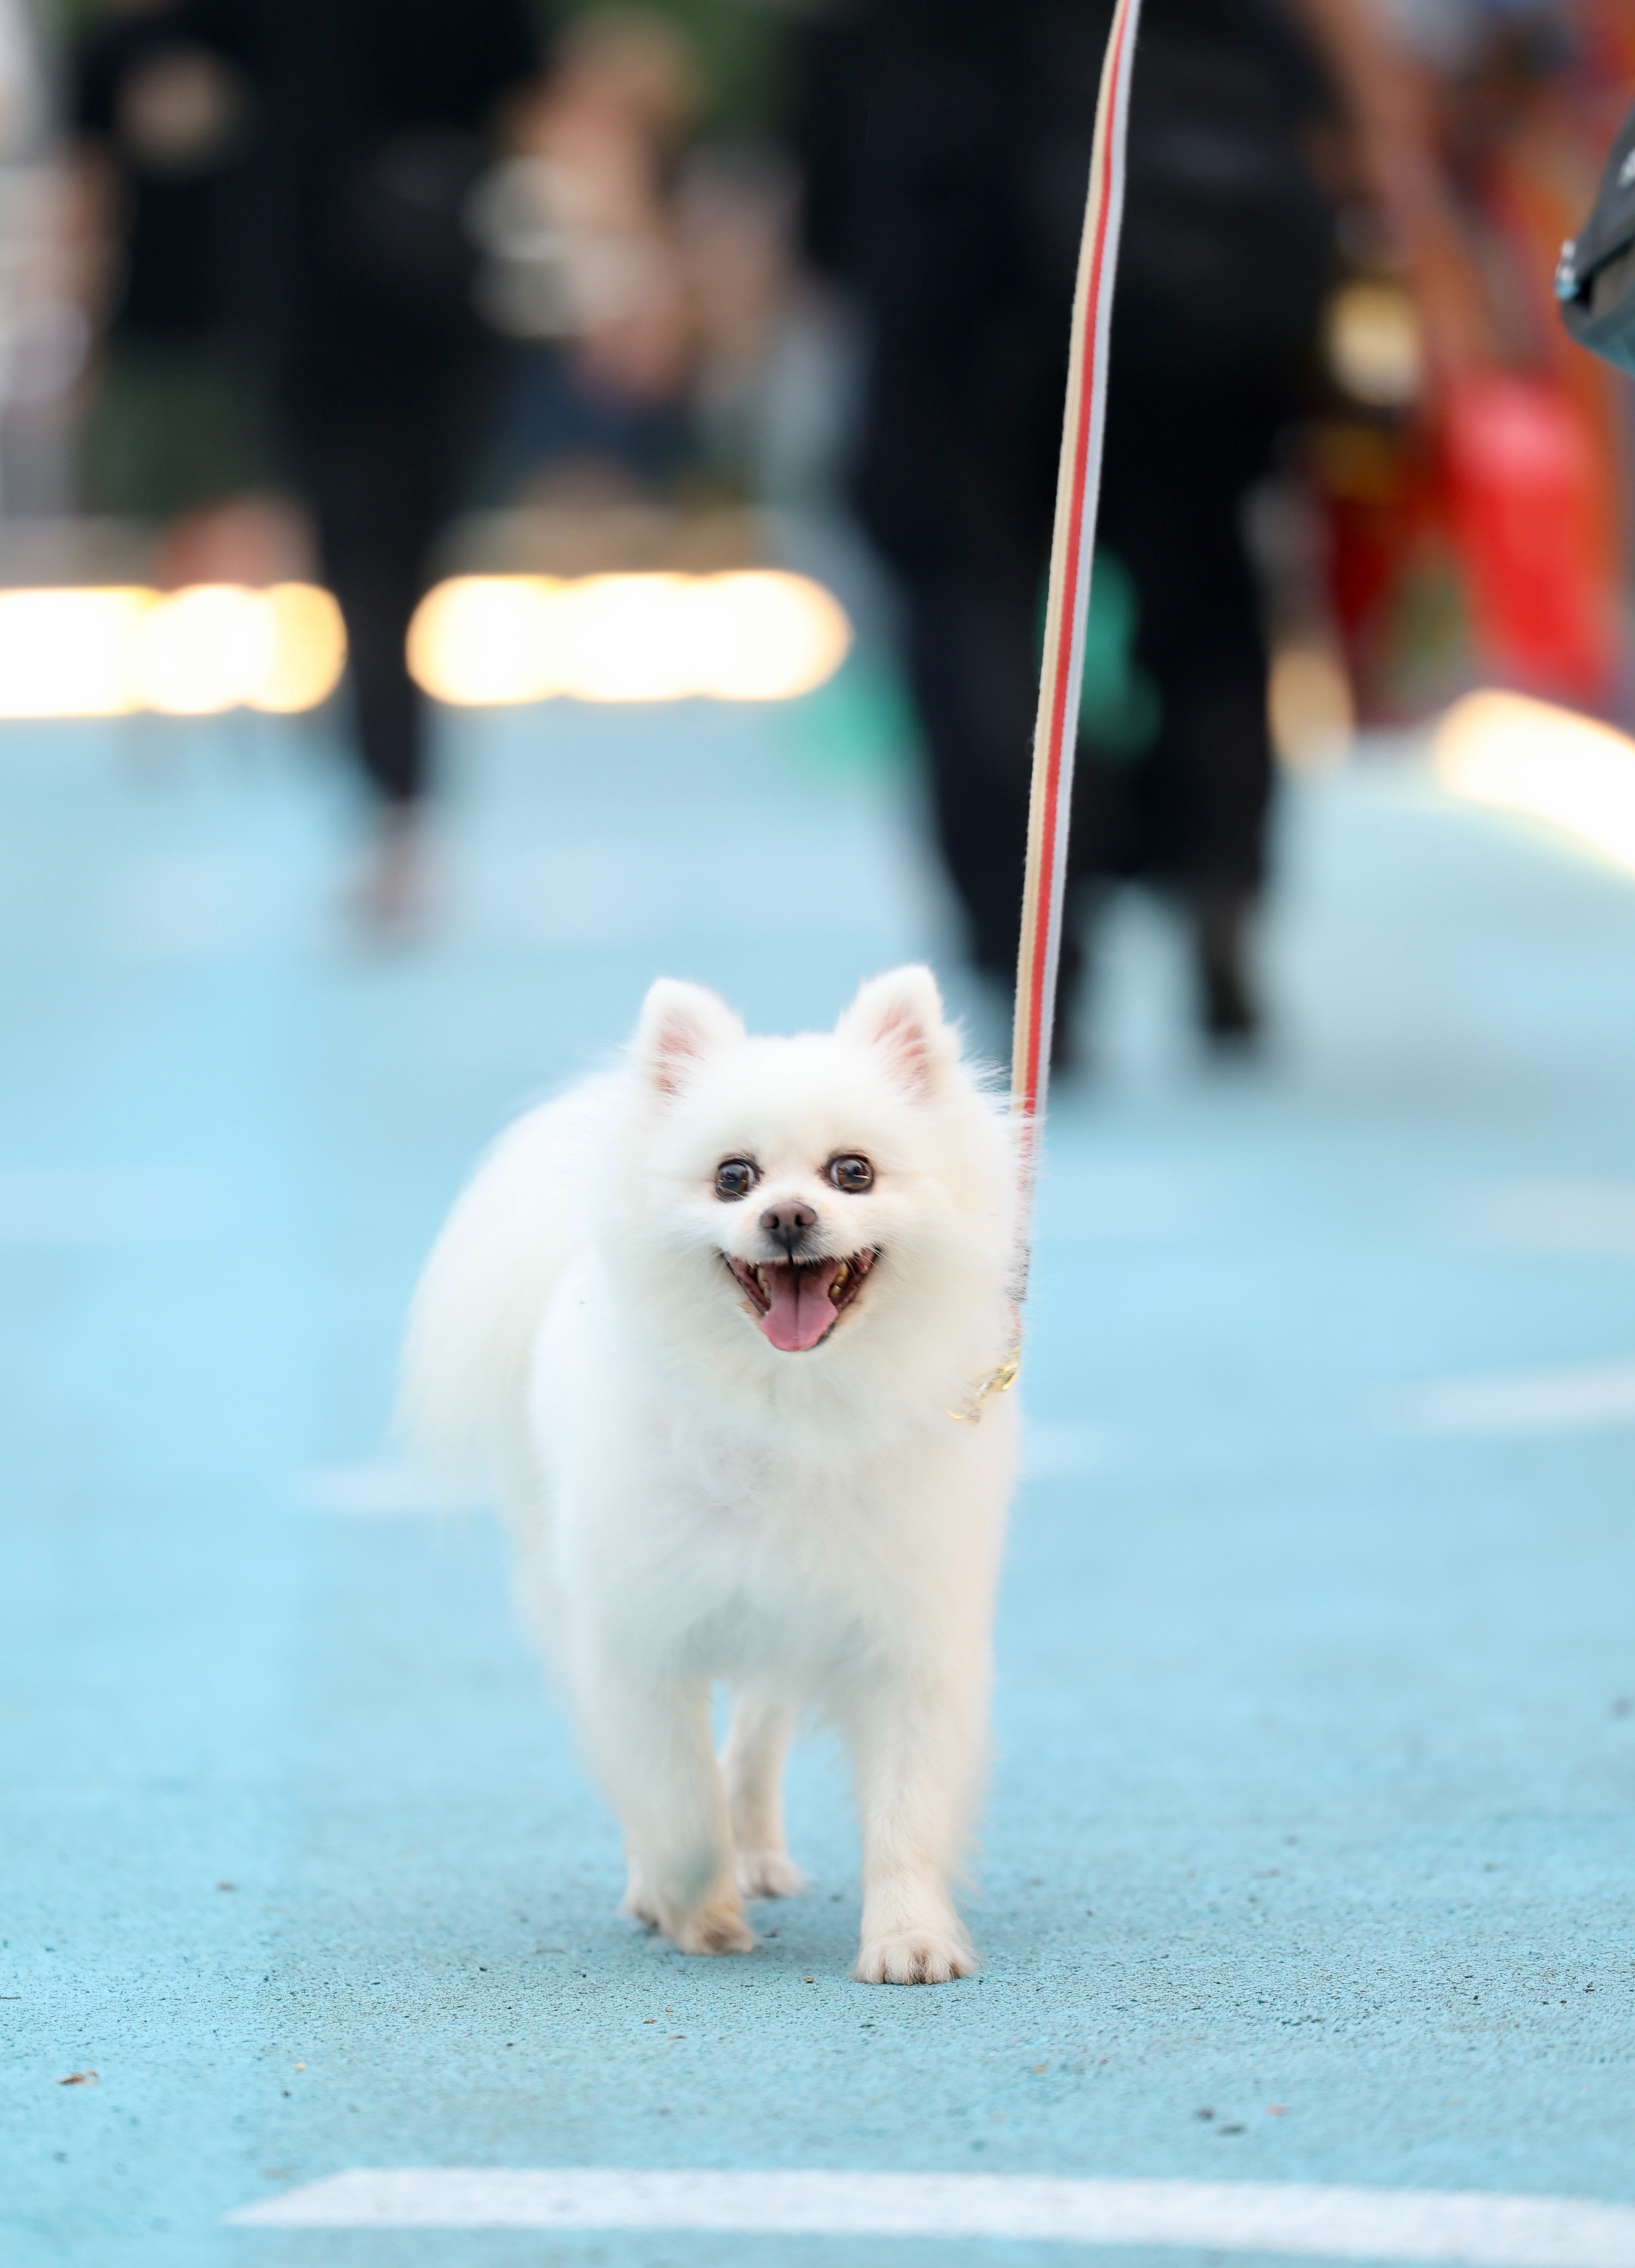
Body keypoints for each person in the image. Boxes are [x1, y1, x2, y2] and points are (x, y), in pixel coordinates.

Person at [792, 0, 1486, 1056]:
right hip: (1191, 229)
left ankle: (1030, 937)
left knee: (971, 597)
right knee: (1205, 591)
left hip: (955, 237)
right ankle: (1219, 877)